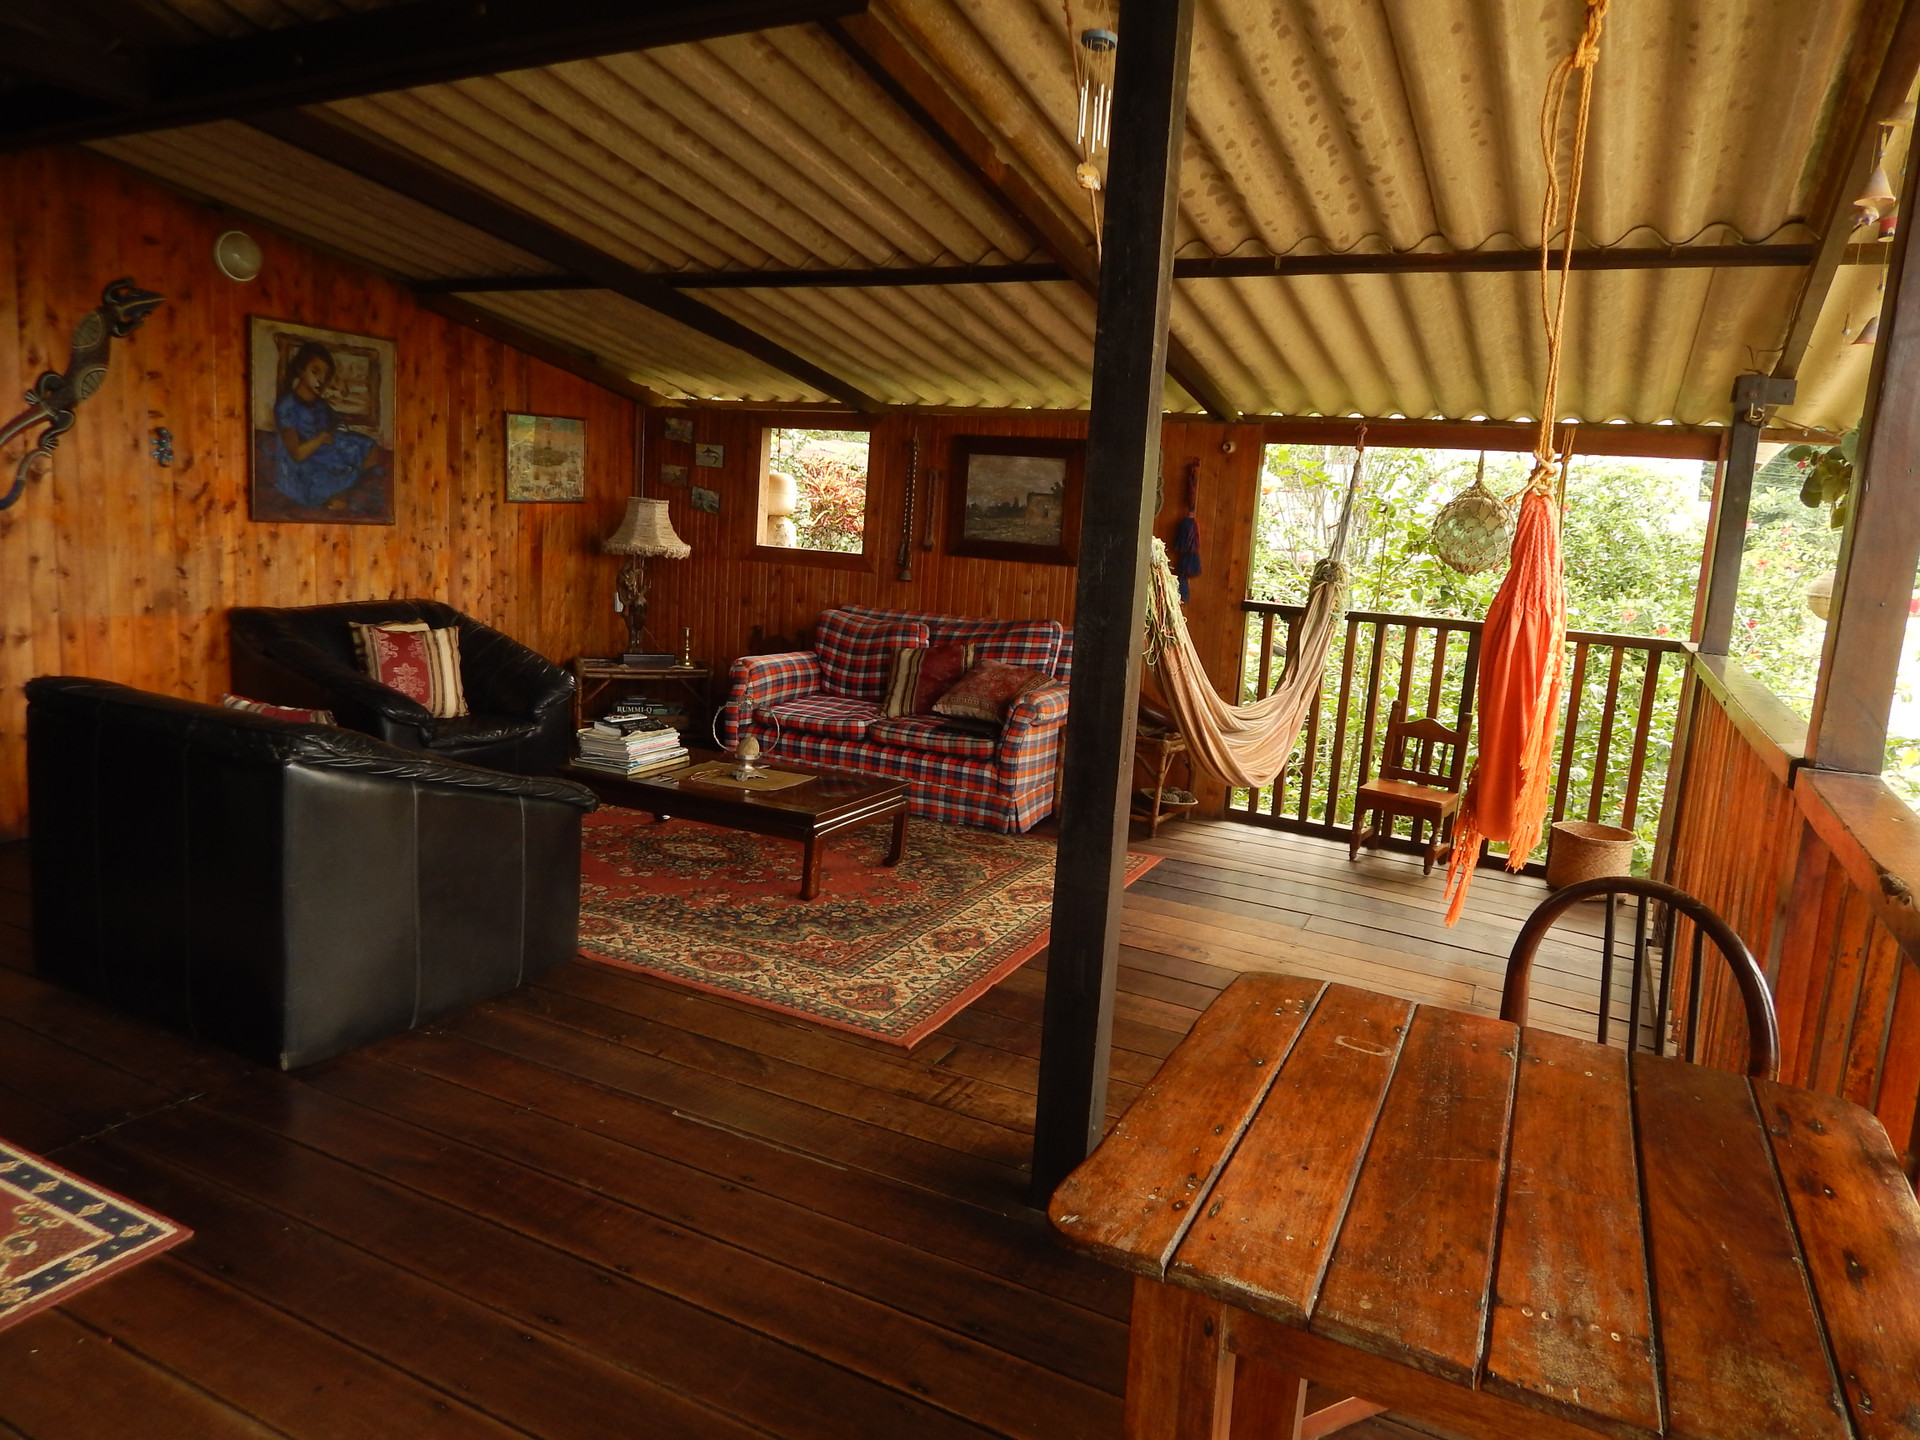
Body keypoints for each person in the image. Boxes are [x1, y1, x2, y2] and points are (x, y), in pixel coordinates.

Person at [268, 341, 380, 508]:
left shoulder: (320, 404)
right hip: (300, 463)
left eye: (326, 376)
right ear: (300, 370)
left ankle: (348, 487)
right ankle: (338, 494)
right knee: (334, 477)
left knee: (367, 445)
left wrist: (336, 433)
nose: (321, 380)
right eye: (315, 372)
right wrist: (320, 440)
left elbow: (334, 425)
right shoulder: (287, 406)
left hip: (322, 450)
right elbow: (296, 454)